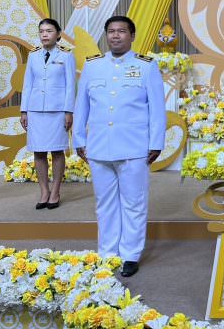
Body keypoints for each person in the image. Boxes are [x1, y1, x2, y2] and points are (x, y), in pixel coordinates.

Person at [73, 16, 165, 277]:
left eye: (121, 32)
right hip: (99, 146)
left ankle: (130, 255)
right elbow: (82, 106)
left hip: (134, 147)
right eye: (111, 31)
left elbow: (157, 109)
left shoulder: (146, 66)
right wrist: (79, 138)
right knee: (105, 203)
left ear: (132, 36)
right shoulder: (93, 66)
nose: (115, 36)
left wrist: (156, 142)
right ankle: (107, 253)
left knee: (134, 203)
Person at [20, 18, 76, 210]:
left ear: (58, 34)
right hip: (35, 110)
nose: (44, 34)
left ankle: (56, 190)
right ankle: (44, 190)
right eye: (41, 31)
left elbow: (71, 86)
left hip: (58, 110)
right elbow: (27, 85)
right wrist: (24, 110)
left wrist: (69, 111)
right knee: (39, 150)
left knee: (57, 150)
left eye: (49, 31)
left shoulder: (67, 56)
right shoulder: (33, 56)